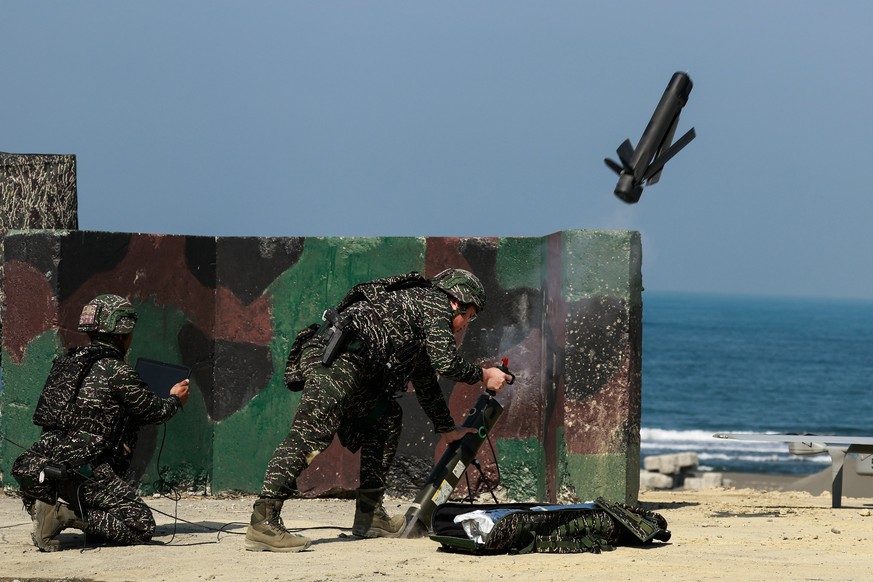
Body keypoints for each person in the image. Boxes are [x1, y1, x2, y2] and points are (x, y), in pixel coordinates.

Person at [245, 268, 512, 552]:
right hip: (339, 359)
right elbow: (445, 363)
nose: (465, 324)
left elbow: (427, 384)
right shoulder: (434, 303)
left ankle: (370, 516)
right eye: (469, 315)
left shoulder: (419, 318)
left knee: (385, 417)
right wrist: (485, 375)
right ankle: (264, 521)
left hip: (354, 364)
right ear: (457, 300)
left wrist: (447, 429)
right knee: (310, 434)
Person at [12, 294, 190, 551]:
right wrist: (175, 399)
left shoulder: (65, 363)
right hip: (85, 470)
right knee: (140, 525)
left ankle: (50, 509)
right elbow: (154, 411)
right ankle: (64, 516)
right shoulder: (117, 370)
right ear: (122, 334)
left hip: (43, 468)